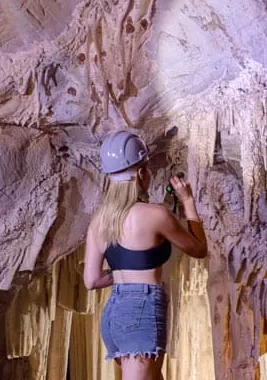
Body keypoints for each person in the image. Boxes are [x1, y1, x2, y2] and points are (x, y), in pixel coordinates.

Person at [83, 130, 208, 380]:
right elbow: (199, 249)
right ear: (141, 174)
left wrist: (122, 274)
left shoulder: (99, 221)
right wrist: (188, 201)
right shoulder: (155, 214)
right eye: (147, 168)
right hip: (142, 311)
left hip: (114, 315)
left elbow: (92, 281)